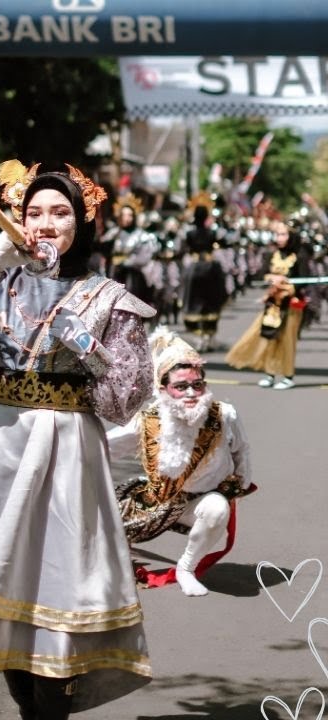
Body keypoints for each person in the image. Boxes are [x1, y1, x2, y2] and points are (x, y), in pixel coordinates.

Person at [0, 164, 156, 719]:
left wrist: (89, 348)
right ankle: (28, 708)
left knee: (60, 588)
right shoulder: (6, 279)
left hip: (69, 451)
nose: (45, 223)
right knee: (2, 588)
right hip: (4, 442)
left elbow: (124, 400)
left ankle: (51, 709)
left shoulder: (110, 296)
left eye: (60, 212)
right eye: (34, 212)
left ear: (82, 223)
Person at [109, 328, 254, 597]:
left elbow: (241, 451)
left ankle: (186, 568)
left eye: (197, 385)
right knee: (100, 534)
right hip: (155, 501)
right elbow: (105, 449)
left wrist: (239, 483)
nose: (191, 392)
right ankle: (119, 548)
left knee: (217, 509)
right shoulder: (147, 421)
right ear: (163, 389)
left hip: (200, 502)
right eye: (181, 386)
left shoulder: (224, 415)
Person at [226, 219, 308, 389]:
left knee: (287, 340)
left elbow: (304, 280)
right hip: (272, 305)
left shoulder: (300, 256)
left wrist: (287, 285)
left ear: (292, 236)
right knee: (269, 338)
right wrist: (273, 279)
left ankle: (288, 376)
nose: (279, 238)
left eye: (283, 234)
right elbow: (261, 276)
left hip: (291, 305)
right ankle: (270, 374)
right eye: (278, 234)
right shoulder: (271, 255)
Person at [180, 201, 228, 352]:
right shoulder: (212, 232)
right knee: (211, 299)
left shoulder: (189, 233)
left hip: (194, 269)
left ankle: (199, 336)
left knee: (193, 299)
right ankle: (208, 335)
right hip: (210, 269)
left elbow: (183, 249)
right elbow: (224, 242)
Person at [102, 196, 158, 307]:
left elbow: (145, 257)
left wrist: (128, 262)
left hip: (133, 277)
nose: (126, 218)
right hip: (114, 275)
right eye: (123, 215)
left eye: (130, 215)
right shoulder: (112, 234)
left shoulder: (141, 235)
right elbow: (104, 251)